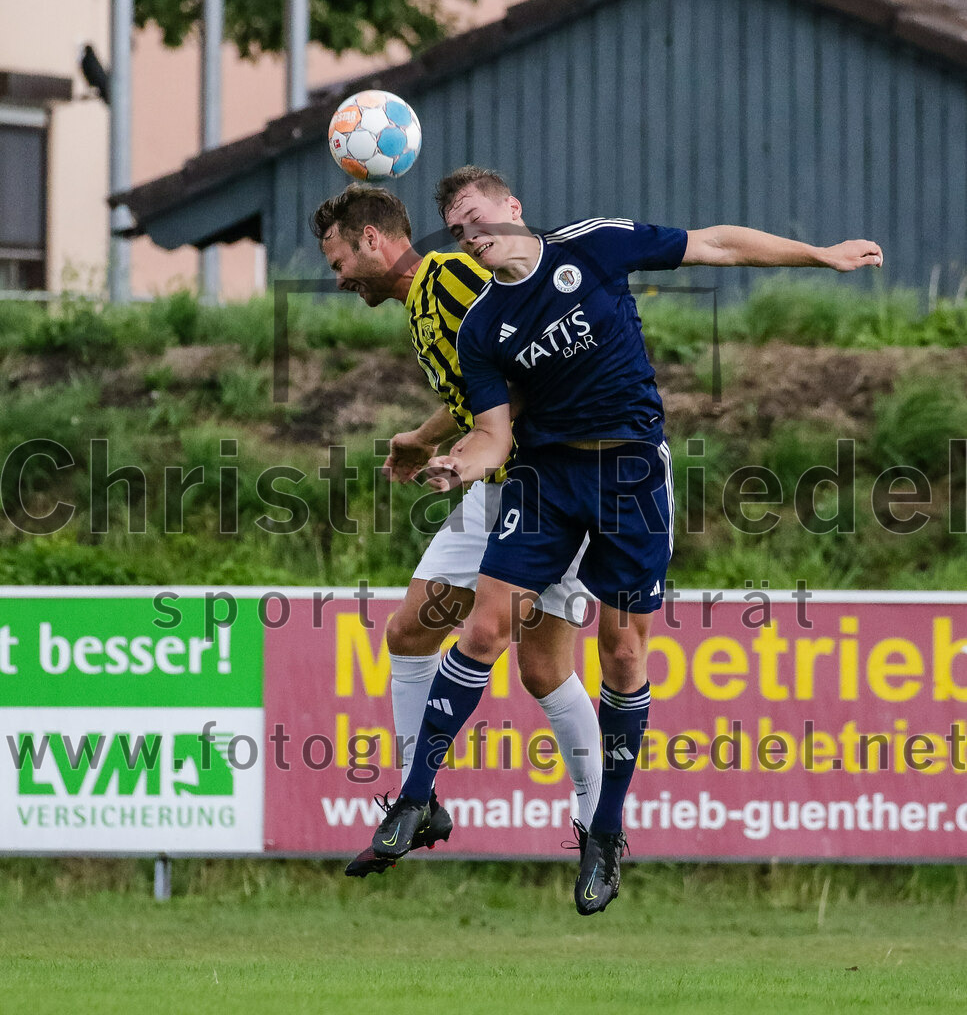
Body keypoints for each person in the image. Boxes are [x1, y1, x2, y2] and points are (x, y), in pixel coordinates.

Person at [365, 165, 884, 914]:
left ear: (514, 207)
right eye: (458, 230)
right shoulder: (481, 327)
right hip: (545, 477)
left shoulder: (594, 247)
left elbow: (717, 246)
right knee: (483, 624)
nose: (471, 235)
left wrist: (818, 255)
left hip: (630, 472)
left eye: (478, 217)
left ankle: (603, 834)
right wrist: (457, 464)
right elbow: (491, 434)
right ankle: (415, 799)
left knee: (623, 651)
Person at [310, 184, 603, 877]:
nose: (340, 278)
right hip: (493, 484)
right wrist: (421, 435)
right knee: (409, 631)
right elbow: (479, 388)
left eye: (339, 261)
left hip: (550, 482)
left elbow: (526, 336)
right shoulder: (419, 305)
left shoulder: (451, 276)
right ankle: (420, 803)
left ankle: (598, 826)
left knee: (541, 668)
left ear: (372, 242)